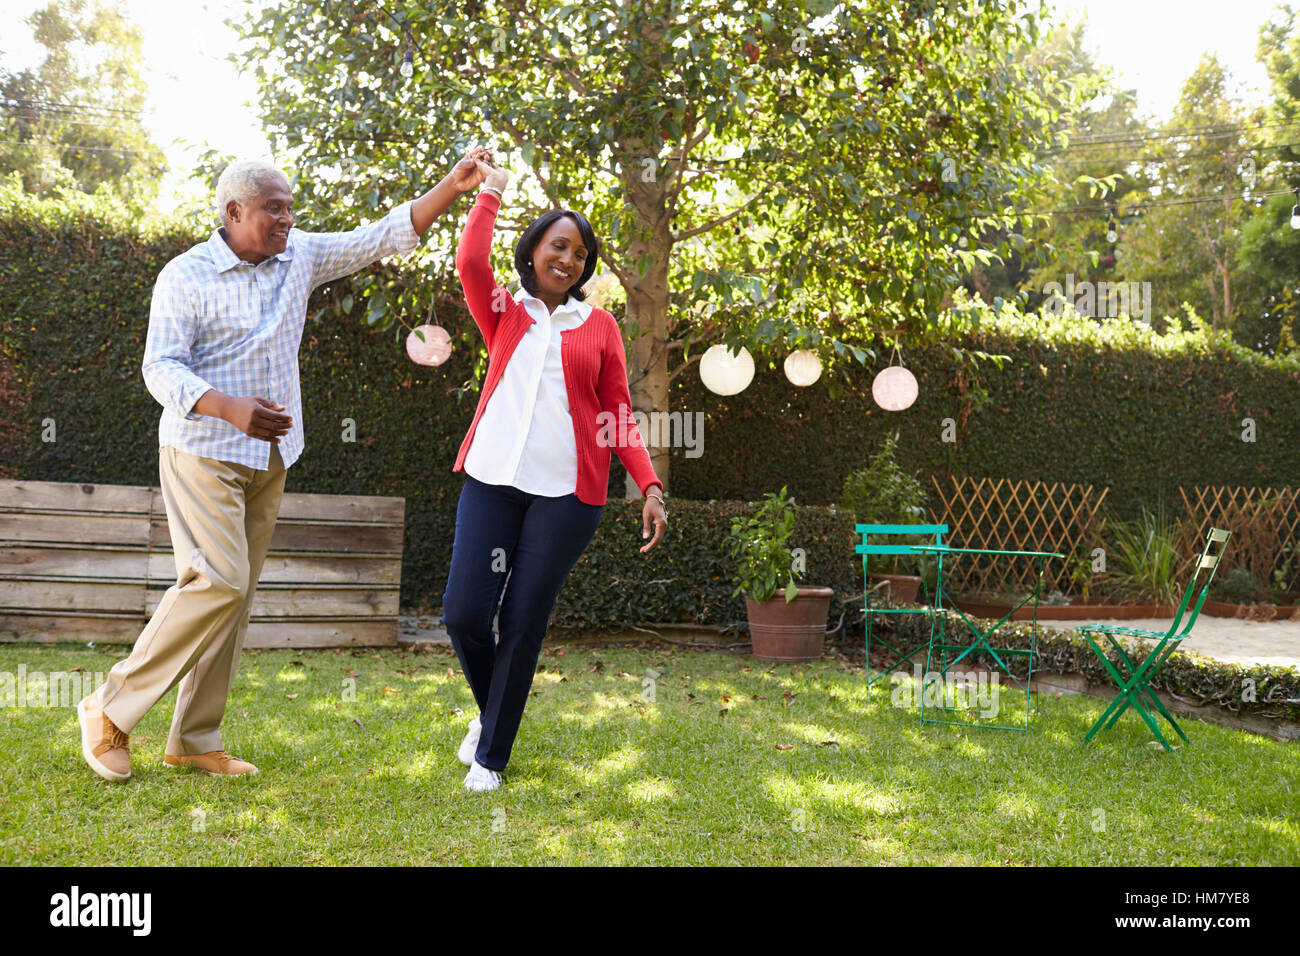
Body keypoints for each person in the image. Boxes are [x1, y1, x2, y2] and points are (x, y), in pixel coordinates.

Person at [77, 149, 496, 782]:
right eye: (275, 208)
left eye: (291, 207)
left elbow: (377, 237)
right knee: (216, 579)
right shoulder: (185, 275)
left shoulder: (297, 255)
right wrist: (228, 408)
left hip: (270, 456)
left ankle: (194, 738)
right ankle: (109, 707)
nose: (287, 219)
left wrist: (452, 185)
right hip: (201, 449)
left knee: (234, 596)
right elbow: (160, 368)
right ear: (234, 210)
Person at [443, 153, 669, 792]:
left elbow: (619, 414)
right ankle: (494, 717)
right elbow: (469, 263)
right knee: (463, 613)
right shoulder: (505, 313)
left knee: (521, 622)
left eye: (578, 252)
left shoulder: (598, 327)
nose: (567, 259)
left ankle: (491, 757)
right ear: (535, 249)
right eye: (556, 245)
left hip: (566, 498)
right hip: (492, 481)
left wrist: (649, 485)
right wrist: (491, 192)